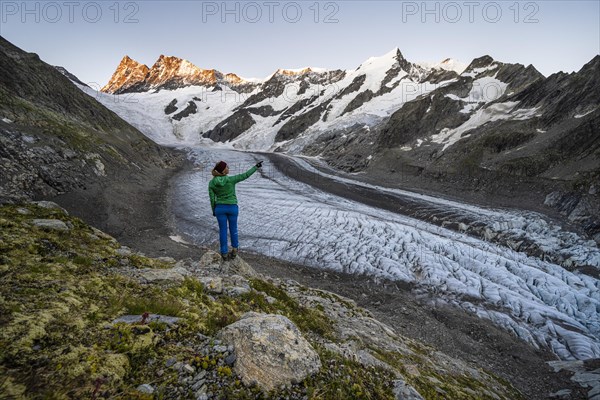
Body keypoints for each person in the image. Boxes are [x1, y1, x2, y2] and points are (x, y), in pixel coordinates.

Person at [208, 160, 263, 261]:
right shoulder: (231, 179)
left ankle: (224, 253)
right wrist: (256, 167)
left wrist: (214, 211)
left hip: (220, 208)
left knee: (223, 230)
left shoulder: (211, 183)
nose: (228, 168)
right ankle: (234, 250)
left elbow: (212, 199)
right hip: (232, 208)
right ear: (223, 171)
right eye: (227, 167)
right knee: (233, 229)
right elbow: (245, 175)